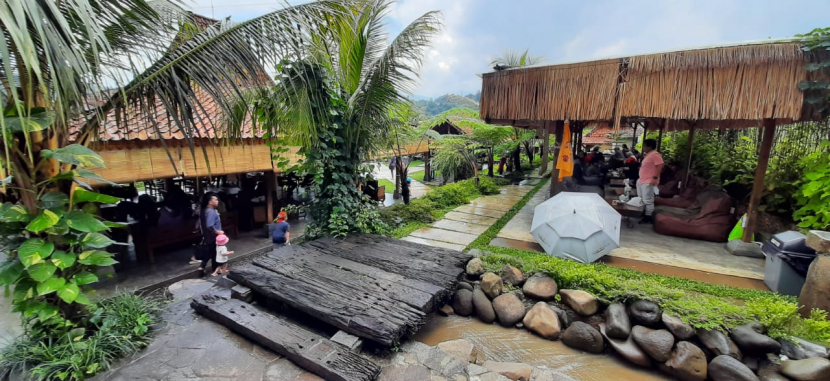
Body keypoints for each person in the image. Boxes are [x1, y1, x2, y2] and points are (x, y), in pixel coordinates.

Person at [637, 139, 664, 224]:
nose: (643, 147)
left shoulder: (655, 154)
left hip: (648, 180)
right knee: (642, 198)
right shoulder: (649, 155)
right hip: (642, 179)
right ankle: (644, 213)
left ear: (650, 146)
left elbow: (660, 165)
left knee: (648, 200)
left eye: (645, 146)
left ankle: (648, 216)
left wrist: (655, 178)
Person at [198, 194, 224, 274]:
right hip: (213, 235)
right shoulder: (210, 212)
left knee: (211, 252)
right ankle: (214, 269)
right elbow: (209, 225)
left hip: (209, 235)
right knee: (214, 252)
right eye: (215, 200)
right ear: (210, 202)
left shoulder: (207, 210)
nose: (217, 201)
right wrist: (218, 232)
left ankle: (203, 266)